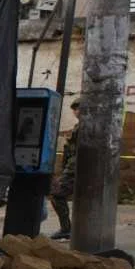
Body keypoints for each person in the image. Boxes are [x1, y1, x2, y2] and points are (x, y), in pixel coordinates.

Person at [51, 99, 81, 240]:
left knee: (57, 193)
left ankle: (66, 229)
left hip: (75, 168)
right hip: (74, 167)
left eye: (79, 108)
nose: (76, 111)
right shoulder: (80, 126)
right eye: (75, 109)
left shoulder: (85, 127)